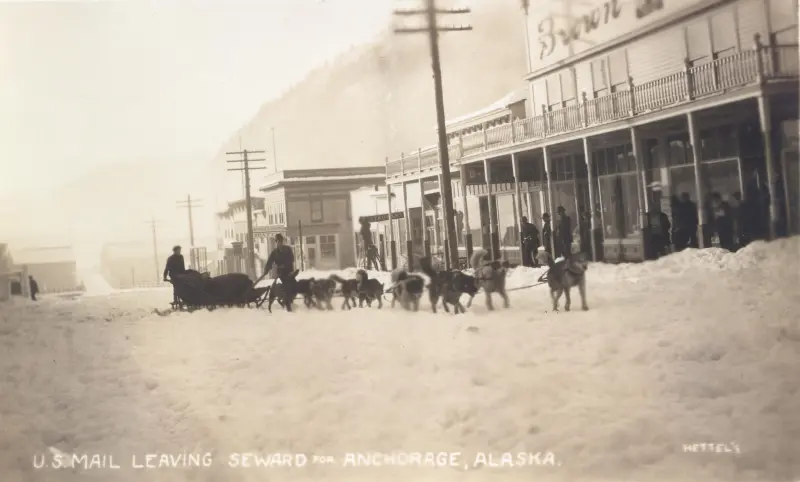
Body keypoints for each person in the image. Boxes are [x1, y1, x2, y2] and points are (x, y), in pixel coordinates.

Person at [261, 233, 297, 311]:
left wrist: (285, 265)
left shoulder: (288, 249)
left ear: (282, 241)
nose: (279, 243)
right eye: (278, 241)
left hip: (289, 272)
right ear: (276, 242)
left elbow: (291, 259)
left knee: (294, 286)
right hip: (281, 273)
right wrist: (266, 269)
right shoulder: (274, 252)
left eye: (280, 241)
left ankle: (290, 299)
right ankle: (286, 301)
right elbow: (270, 262)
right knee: (286, 286)